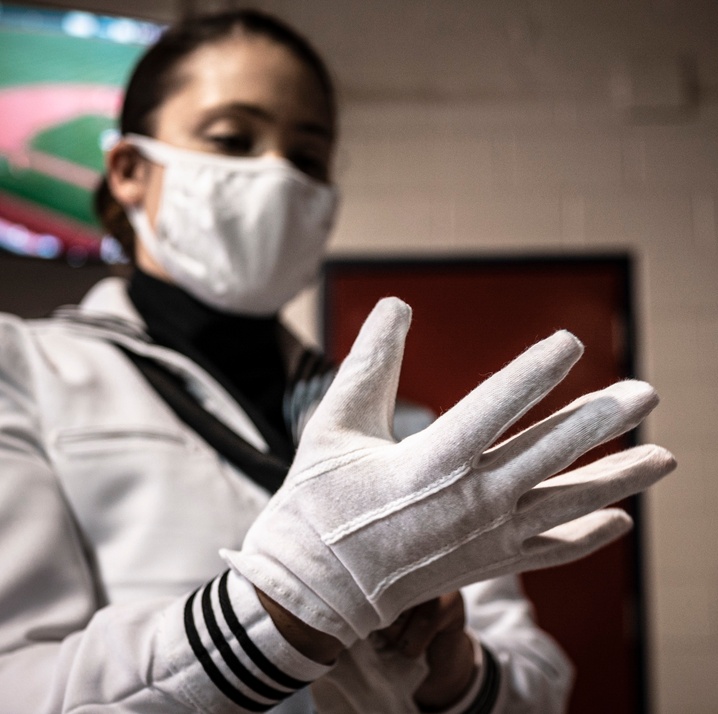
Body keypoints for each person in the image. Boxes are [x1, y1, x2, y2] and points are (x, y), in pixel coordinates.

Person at [0, 9, 674, 714]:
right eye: (233, 138)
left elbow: (538, 688)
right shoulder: (23, 370)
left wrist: (452, 672)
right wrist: (280, 610)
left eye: (309, 157)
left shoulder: (405, 429)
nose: (277, 177)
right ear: (131, 170)